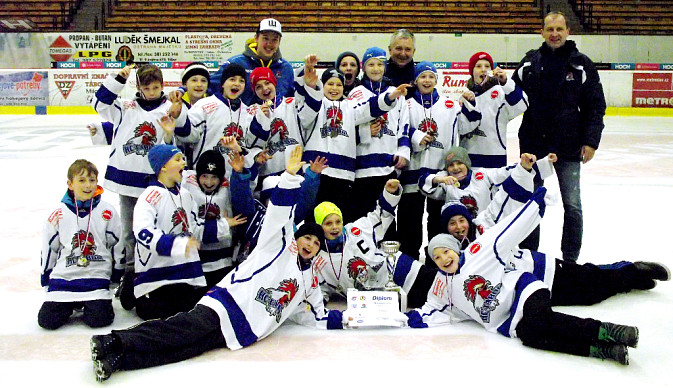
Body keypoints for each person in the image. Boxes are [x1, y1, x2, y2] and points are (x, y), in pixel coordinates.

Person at [89, 146, 347, 382]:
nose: (311, 244)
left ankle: (119, 359)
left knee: (184, 350)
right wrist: (291, 177)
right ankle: (112, 341)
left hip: (241, 330)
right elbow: (279, 213)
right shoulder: (277, 246)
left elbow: (317, 316)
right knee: (179, 331)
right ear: (296, 238)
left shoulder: (309, 281)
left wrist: (352, 317)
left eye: (316, 242)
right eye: (307, 238)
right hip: (227, 304)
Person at [405, 188, 667, 365]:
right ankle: (607, 339)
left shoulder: (482, 237)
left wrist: (535, 203)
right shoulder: (447, 272)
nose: (459, 226)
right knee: (541, 328)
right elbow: (438, 304)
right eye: (452, 224)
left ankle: (633, 271)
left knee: (593, 284)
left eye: (461, 220)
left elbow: (511, 225)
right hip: (515, 304)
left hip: (537, 272)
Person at [91, 63, 188, 310]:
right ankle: (130, 273)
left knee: (157, 228)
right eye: (148, 87)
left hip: (155, 183)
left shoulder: (169, 107)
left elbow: (173, 143)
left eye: (157, 87)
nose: (153, 92)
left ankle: (156, 273)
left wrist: (173, 123)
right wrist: (117, 79)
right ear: (138, 87)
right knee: (129, 233)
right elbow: (99, 104)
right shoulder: (126, 107)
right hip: (126, 182)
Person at [512, 11, 607, 262]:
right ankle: (529, 256)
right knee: (530, 203)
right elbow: (509, 99)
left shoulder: (581, 64)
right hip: (533, 145)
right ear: (541, 32)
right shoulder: (529, 63)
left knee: (572, 206)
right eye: (550, 29)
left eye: (559, 29)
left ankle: (570, 259)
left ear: (568, 32)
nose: (554, 34)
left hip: (569, 145)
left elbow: (595, 106)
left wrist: (590, 141)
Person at [297, 55, 409, 223]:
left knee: (338, 221)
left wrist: (391, 96)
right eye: (330, 84)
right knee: (312, 219)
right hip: (316, 170)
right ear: (322, 85)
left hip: (343, 174)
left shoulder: (350, 107)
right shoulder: (316, 104)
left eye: (339, 85)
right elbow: (304, 117)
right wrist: (311, 86)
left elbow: (370, 107)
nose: (334, 88)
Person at [131, 144, 230, 320]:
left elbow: (193, 226)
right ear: (162, 167)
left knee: (194, 313)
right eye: (177, 159)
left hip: (184, 275)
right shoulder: (150, 196)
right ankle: (129, 288)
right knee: (155, 314)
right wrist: (175, 244)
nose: (184, 162)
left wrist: (223, 225)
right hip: (156, 276)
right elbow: (143, 232)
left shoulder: (185, 195)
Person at [38, 160, 126, 329]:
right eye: (82, 180)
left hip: (96, 276)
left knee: (99, 320)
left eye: (92, 180)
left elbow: (117, 245)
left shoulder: (107, 212)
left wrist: (115, 276)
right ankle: (72, 304)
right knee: (47, 321)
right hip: (65, 277)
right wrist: (46, 278)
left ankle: (87, 303)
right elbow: (50, 248)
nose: (88, 185)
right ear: (70, 184)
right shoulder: (59, 214)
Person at [397, 62, 465, 260]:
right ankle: (408, 263)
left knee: (437, 223)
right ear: (415, 80)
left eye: (431, 76)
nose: (427, 80)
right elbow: (398, 130)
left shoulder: (449, 106)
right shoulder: (406, 105)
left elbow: (456, 138)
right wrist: (415, 136)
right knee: (409, 225)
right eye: (422, 77)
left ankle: (436, 265)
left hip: (439, 176)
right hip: (412, 174)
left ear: (437, 80)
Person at [228, 147, 326, 264]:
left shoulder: (290, 216)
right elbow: (241, 197)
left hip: (275, 268)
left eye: (281, 199)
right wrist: (239, 174)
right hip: (246, 265)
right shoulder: (253, 212)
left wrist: (312, 176)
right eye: (271, 199)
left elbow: (305, 200)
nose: (277, 203)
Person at [311, 178, 401, 301]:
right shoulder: (318, 258)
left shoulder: (357, 229)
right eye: (328, 223)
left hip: (400, 270)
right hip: (372, 297)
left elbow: (381, 215)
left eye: (338, 222)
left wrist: (390, 193)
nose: (335, 227)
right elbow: (322, 291)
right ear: (319, 226)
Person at [348, 47, 410, 222]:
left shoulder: (397, 92)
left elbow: (403, 126)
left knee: (387, 219)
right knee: (362, 219)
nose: (376, 69)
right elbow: (350, 121)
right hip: (362, 171)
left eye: (380, 64)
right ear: (364, 68)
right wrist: (364, 132)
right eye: (371, 65)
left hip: (387, 168)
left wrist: (403, 152)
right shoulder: (356, 92)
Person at [181, 150, 247, 287]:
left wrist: (240, 174)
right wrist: (223, 225)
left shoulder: (228, 187)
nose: (209, 182)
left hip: (222, 262)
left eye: (214, 177)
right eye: (204, 176)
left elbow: (245, 197)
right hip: (193, 260)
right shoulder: (186, 186)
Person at [460, 51, 529, 168]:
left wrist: (506, 82)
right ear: (471, 71)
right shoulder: (465, 95)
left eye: (487, 66)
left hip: (495, 156)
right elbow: (461, 128)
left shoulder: (501, 92)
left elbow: (522, 105)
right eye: (478, 66)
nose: (483, 69)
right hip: (468, 158)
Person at [211, 18, 294, 106]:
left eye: (274, 40)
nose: (269, 44)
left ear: (279, 42)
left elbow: (293, 99)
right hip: (239, 118)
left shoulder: (286, 68)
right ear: (256, 38)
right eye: (265, 38)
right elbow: (211, 87)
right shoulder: (235, 63)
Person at [245, 66, 302, 185]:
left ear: (274, 83)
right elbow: (250, 144)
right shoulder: (251, 111)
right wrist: (260, 118)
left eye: (267, 83)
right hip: (267, 175)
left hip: (295, 169)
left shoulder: (292, 103)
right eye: (258, 87)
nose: (264, 89)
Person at [384, 29, 417, 97]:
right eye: (399, 49)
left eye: (408, 49)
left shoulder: (419, 74)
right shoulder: (380, 72)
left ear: (413, 51)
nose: (403, 54)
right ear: (390, 50)